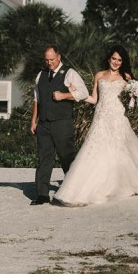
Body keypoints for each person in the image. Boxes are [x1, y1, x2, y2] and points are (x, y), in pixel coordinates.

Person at [52, 44, 138, 206]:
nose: (116, 62)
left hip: (118, 119)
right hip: (101, 119)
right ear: (109, 58)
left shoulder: (126, 77)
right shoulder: (99, 75)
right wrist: (76, 93)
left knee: (123, 151)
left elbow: (136, 98)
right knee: (94, 151)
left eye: (119, 60)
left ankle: (126, 182)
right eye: (114, 59)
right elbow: (94, 99)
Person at [30, 45, 89, 205]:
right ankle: (42, 194)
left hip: (62, 122)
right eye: (47, 60)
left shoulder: (70, 73)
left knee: (66, 157)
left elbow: (84, 93)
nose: (49, 63)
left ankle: (74, 192)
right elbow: (37, 99)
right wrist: (33, 120)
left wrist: (64, 95)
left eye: (52, 59)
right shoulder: (41, 75)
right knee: (44, 159)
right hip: (43, 123)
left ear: (59, 57)